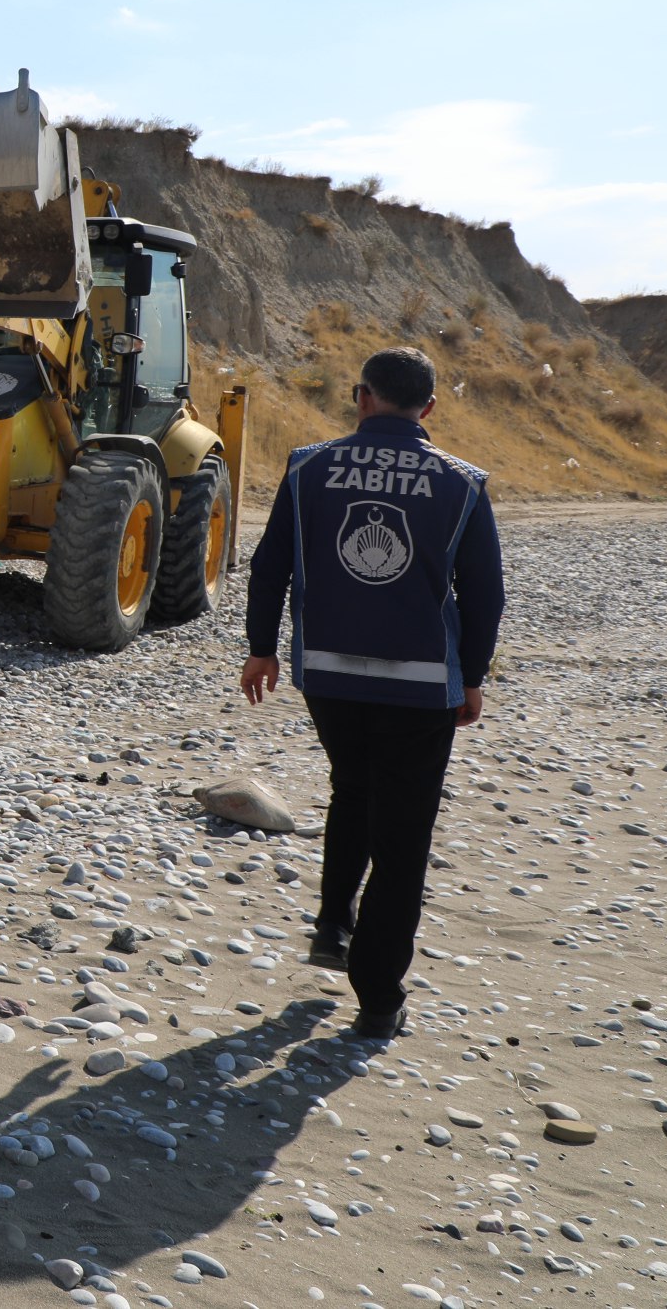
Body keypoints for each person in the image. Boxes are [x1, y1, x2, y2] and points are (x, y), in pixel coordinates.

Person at [240, 345, 504, 1040]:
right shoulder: (464, 483)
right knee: (404, 836)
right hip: (421, 687)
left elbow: (269, 569)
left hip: (326, 676)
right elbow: (484, 596)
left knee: (351, 786)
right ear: (430, 409)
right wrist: (471, 677)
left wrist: (261, 649)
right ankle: (379, 996)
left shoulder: (306, 467)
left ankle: (333, 926)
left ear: (362, 398)